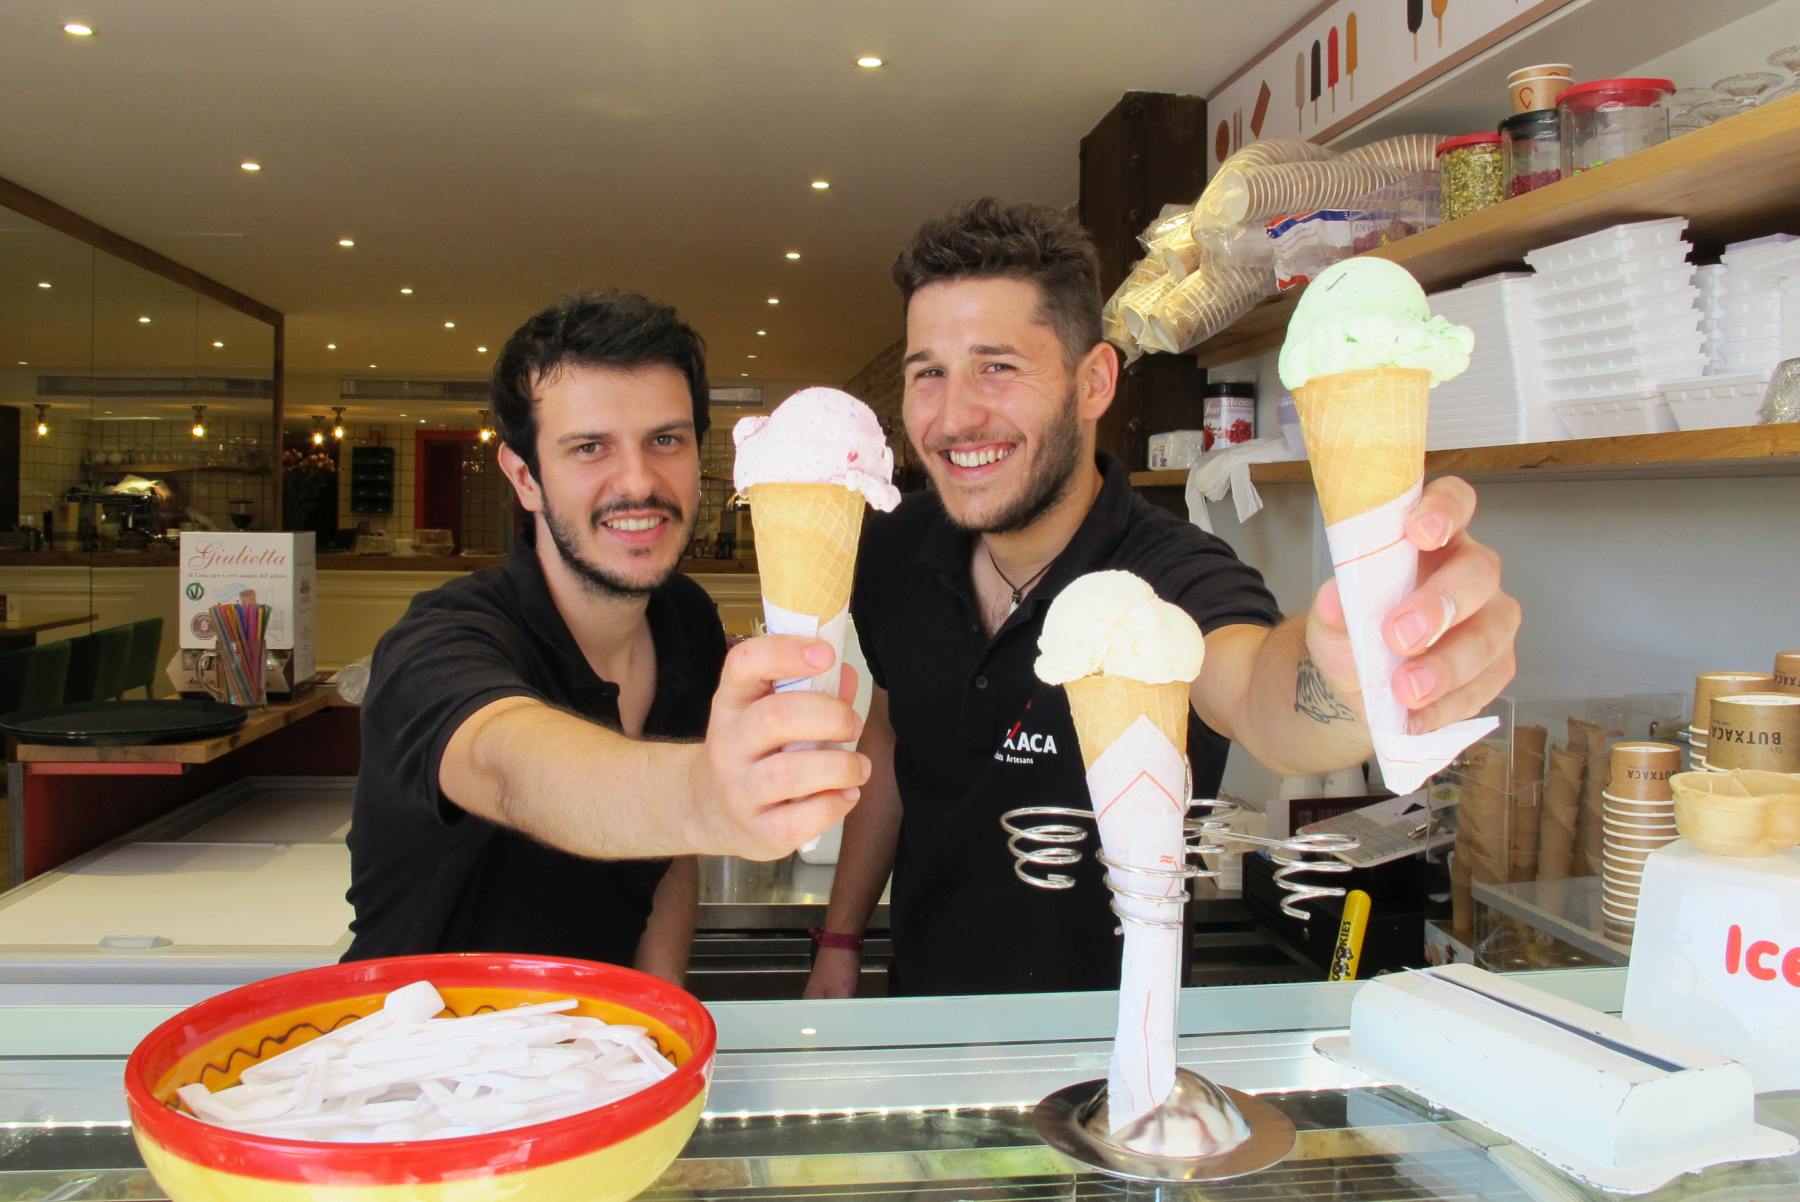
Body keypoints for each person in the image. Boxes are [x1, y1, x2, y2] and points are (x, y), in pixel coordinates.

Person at [806, 200, 1520, 997]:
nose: (955, 416)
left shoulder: (1174, 574)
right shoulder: (895, 549)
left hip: (1122, 1043)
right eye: (928, 373)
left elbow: (1258, 691)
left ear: (1094, 382)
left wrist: (1354, 672)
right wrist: (839, 940)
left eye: (996, 367)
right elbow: (892, 734)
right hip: (918, 1016)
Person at [345, 290, 870, 981]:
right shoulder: (439, 640)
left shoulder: (685, 620)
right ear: (525, 476)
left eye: (666, 440)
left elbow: (670, 855)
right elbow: (509, 769)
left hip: (611, 1035)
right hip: (424, 1037)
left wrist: (662, 1009)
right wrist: (702, 796)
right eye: (590, 447)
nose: (639, 482)